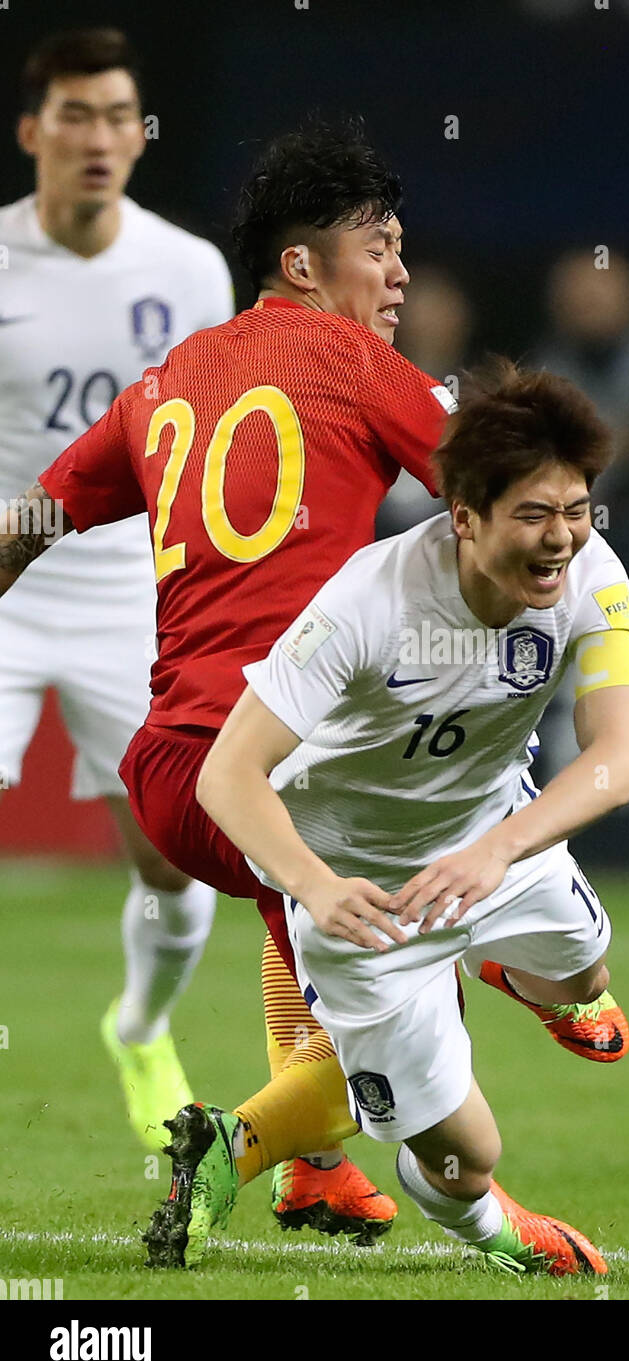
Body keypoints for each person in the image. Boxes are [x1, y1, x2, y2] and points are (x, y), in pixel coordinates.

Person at [0, 121, 629, 1253]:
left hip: (176, 770)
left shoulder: (166, 380)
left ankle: (314, 1172)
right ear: (302, 266)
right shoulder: (354, 364)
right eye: (380, 247)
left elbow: (34, 520)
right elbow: (516, 492)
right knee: (400, 1012)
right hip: (289, 765)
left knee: (307, 911)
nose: (400, 273)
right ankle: (284, 1122)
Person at [175, 360, 629, 1276]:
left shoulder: (590, 567)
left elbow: (617, 761)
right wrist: (314, 890)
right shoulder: (368, 603)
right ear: (464, 517)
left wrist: (495, 851)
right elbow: (227, 773)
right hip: (366, 895)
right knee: (465, 1158)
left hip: (492, 838)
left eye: (576, 510)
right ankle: (495, 1234)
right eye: (533, 515)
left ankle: (523, 976)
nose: (560, 540)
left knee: (585, 972)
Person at [0, 27, 233, 1150]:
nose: (101, 137)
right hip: (3, 576)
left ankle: (140, 1024)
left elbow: (217, 446)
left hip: (128, 595)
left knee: (170, 853)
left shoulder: (190, 272)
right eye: (77, 116)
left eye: (120, 116)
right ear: (32, 131)